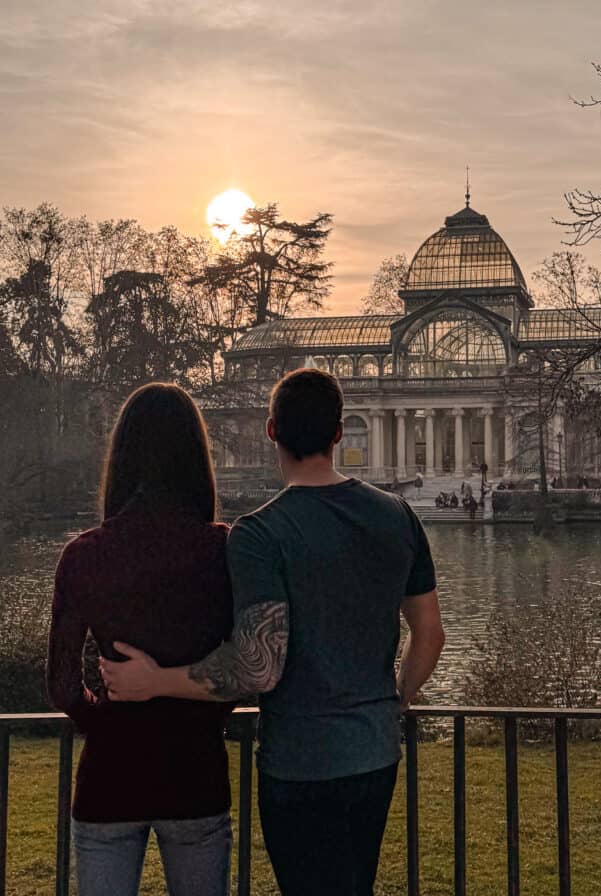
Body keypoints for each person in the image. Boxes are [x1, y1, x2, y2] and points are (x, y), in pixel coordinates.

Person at [101, 369, 445, 896]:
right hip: (375, 753)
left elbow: (258, 666)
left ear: (271, 431)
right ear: (337, 433)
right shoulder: (397, 515)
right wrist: (399, 695)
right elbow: (430, 633)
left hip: (299, 761)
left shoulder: (260, 533)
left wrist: (155, 681)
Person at [46, 383, 234, 896]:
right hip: (195, 773)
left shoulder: (84, 555)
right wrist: (205, 713)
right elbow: (240, 669)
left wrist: (106, 721)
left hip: (110, 778)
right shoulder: (222, 550)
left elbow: (62, 685)